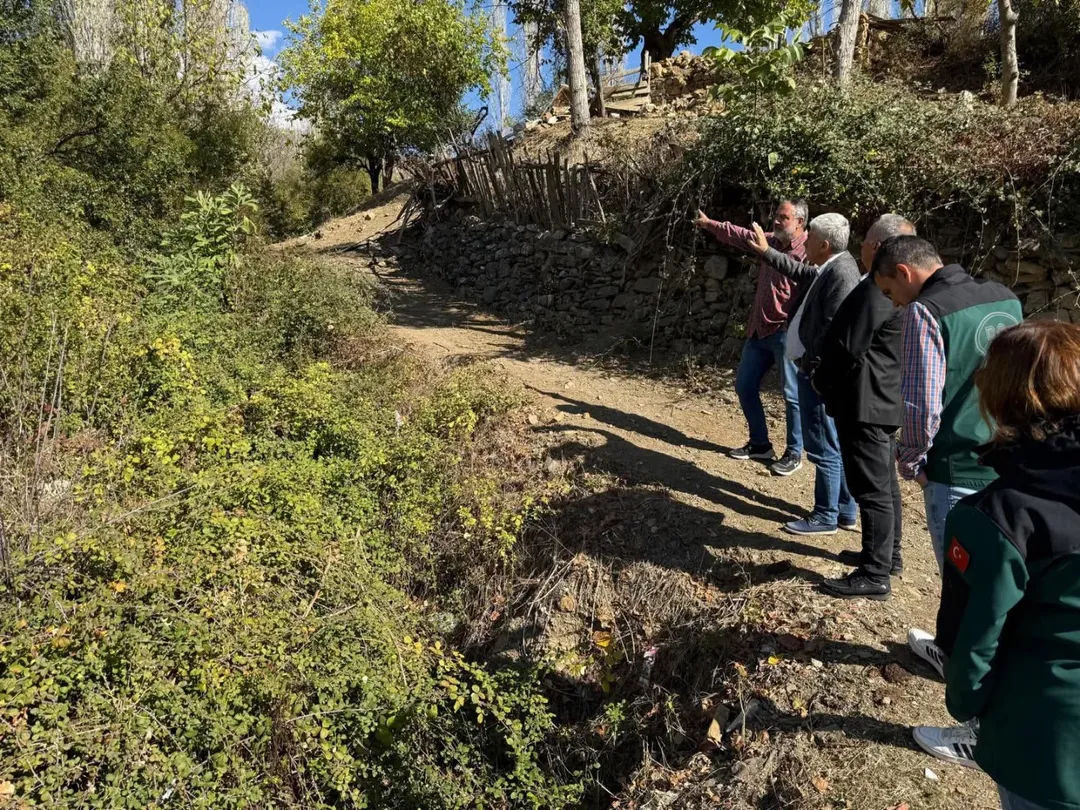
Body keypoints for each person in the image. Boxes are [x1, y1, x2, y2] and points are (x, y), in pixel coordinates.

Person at [872, 235, 1023, 768]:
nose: (893, 302)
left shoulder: (925, 313)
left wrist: (911, 460)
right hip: (1007, 459)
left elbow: (920, 401)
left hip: (957, 469)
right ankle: (950, 651)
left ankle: (981, 730)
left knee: (974, 594)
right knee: (984, 587)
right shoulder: (1003, 296)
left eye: (891, 290)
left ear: (907, 274)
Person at [920, 320, 1080, 810]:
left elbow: (972, 642)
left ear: (999, 397)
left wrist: (967, 705)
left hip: (1046, 743)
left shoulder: (995, 518)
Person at [811, 214, 915, 599]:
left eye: (868, 243)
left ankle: (875, 573)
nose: (862, 248)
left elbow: (849, 347)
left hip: (865, 402)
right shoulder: (891, 289)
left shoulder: (877, 290)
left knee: (871, 489)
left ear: (880, 247)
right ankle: (888, 557)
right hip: (880, 399)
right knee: (884, 486)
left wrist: (821, 379)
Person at [744, 213, 859, 536]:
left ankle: (826, 514)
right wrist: (767, 251)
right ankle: (846, 511)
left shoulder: (842, 274)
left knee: (824, 445)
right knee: (831, 441)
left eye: (809, 238)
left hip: (819, 376)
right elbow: (799, 270)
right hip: (816, 372)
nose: (803, 241)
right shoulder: (829, 267)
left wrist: (813, 365)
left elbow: (834, 329)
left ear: (823, 244)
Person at [693, 201, 806, 477]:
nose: (776, 221)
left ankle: (794, 452)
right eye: (776, 216)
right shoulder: (768, 241)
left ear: (800, 222)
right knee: (744, 386)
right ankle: (760, 444)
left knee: (792, 396)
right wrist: (710, 225)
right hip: (758, 331)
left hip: (786, 333)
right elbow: (740, 235)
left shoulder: (808, 251)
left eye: (784, 217)